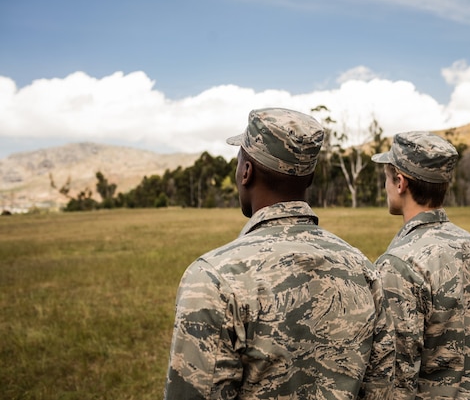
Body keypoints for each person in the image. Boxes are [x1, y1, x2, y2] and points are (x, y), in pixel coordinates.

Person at [164, 107, 395, 400]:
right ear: (309, 179)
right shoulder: (363, 269)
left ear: (246, 172)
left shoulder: (213, 277)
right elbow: (383, 389)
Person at [371, 131, 470, 399]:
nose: (385, 186)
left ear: (400, 182)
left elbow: (395, 377)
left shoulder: (398, 263)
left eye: (386, 177)